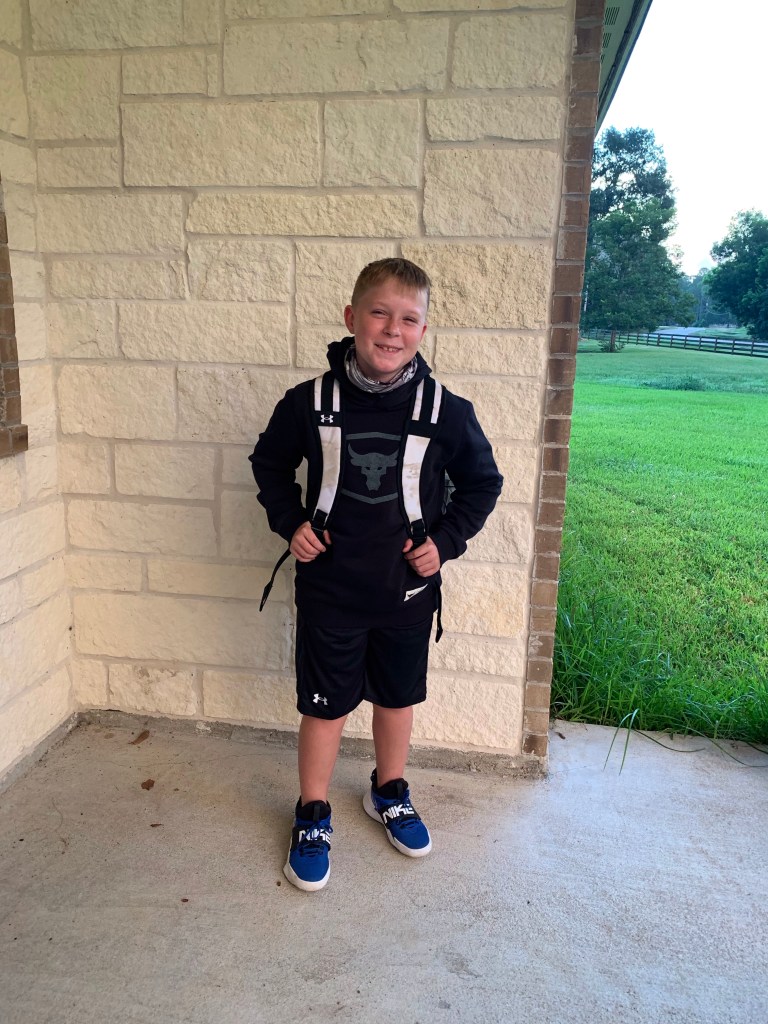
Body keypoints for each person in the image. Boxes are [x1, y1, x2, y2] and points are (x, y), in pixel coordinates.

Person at [249, 258, 502, 892]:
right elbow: (269, 465)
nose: (392, 330)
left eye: (408, 319)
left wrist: (445, 542)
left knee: (396, 698)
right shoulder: (309, 402)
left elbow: (483, 484)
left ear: (423, 330)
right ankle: (312, 812)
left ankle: (388, 791)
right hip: (330, 589)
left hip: (406, 592)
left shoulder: (445, 410)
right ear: (351, 317)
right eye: (379, 313)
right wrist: (290, 523)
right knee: (326, 705)